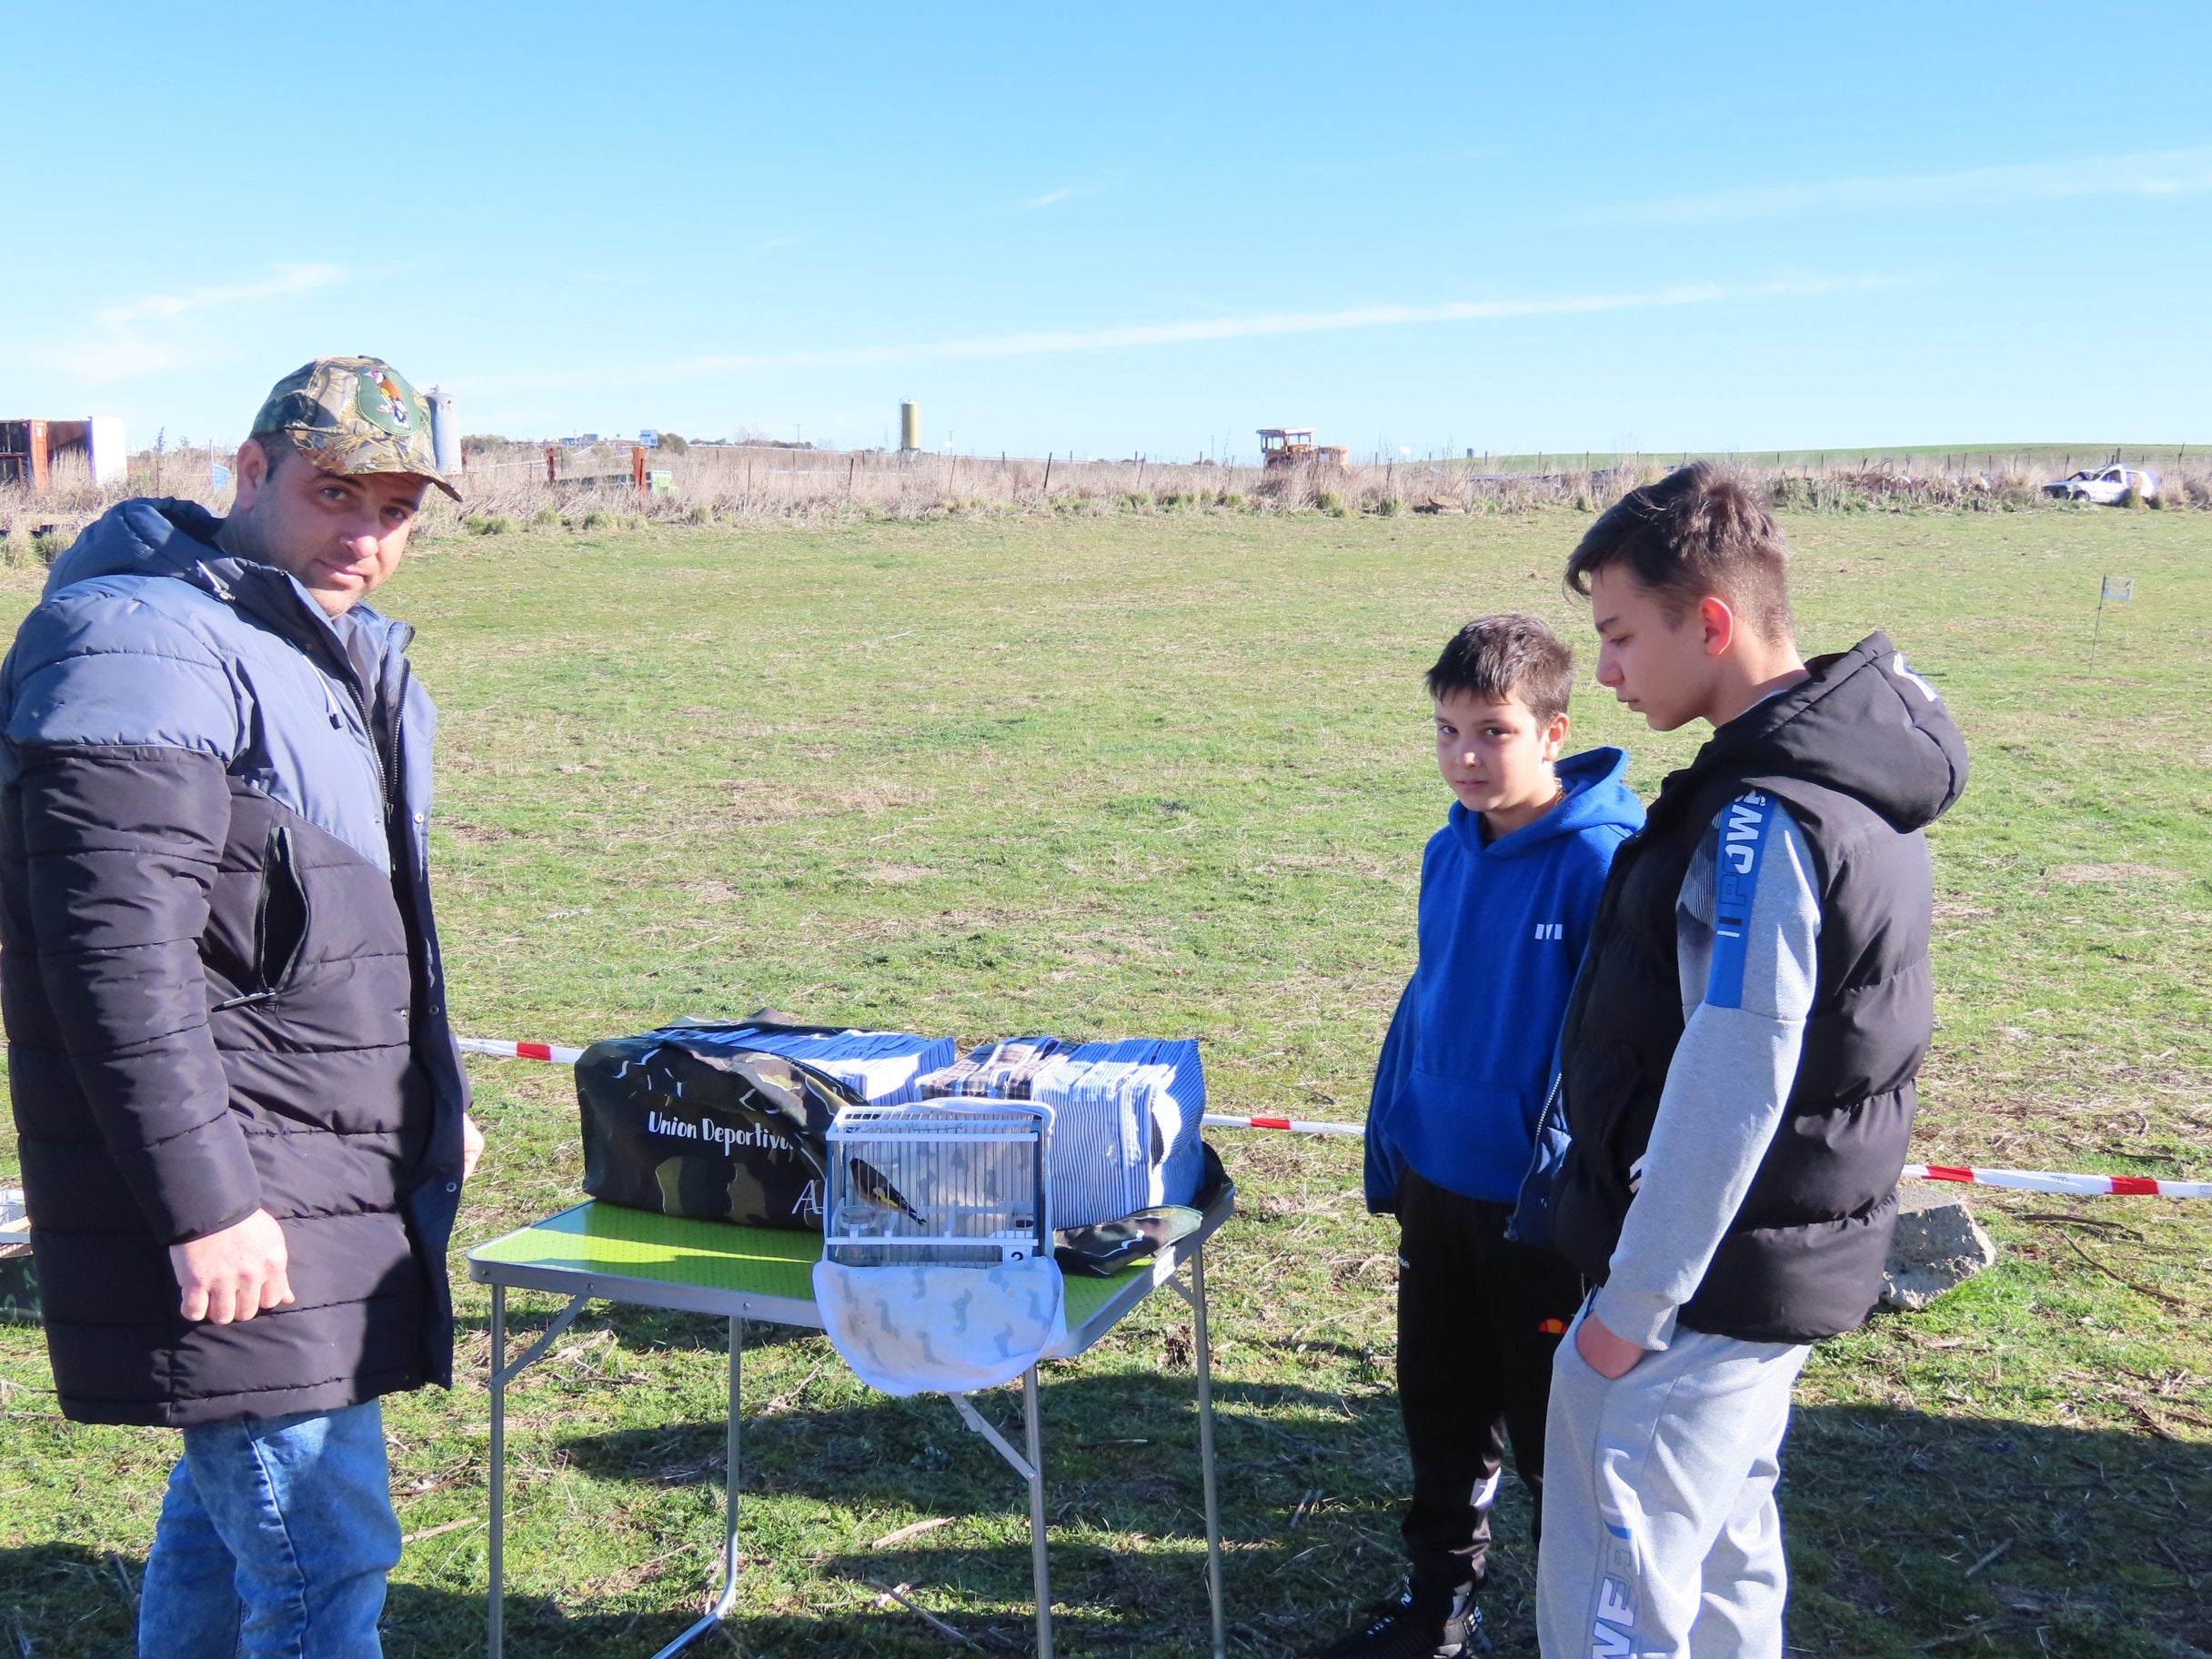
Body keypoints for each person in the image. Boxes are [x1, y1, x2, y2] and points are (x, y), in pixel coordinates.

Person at [0, 357, 481, 1658]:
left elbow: (349, 931)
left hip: (320, 1161)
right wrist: (206, 1204)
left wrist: (439, 1094)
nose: (368, 538)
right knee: (326, 1559)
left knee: (229, 1531)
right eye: (337, 494)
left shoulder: (333, 654)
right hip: (242, 1180)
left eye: (396, 511)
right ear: (250, 471)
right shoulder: (136, 640)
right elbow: (111, 960)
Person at [1533, 464, 1968, 1659]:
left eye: (1620, 635)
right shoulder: (1837, 783)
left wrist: (1631, 1307)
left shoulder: (1763, 819)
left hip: (1695, 1298)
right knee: (1726, 1561)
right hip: (1756, 1279)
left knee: (1618, 1597)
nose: (1608, 670)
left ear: (1712, 623)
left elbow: (1738, 1078)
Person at [1314, 615, 1644, 1659]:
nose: (1463, 755)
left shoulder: (1606, 863)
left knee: (1556, 1442)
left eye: (1491, 731)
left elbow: (1617, 1060)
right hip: (1436, 1185)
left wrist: (1572, 1190)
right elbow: (1430, 1003)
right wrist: (1397, 1141)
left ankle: (1575, 1629)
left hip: (1538, 1215)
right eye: (1446, 730)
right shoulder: (1443, 852)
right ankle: (1435, 1613)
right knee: (1440, 1411)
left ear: (1552, 730)